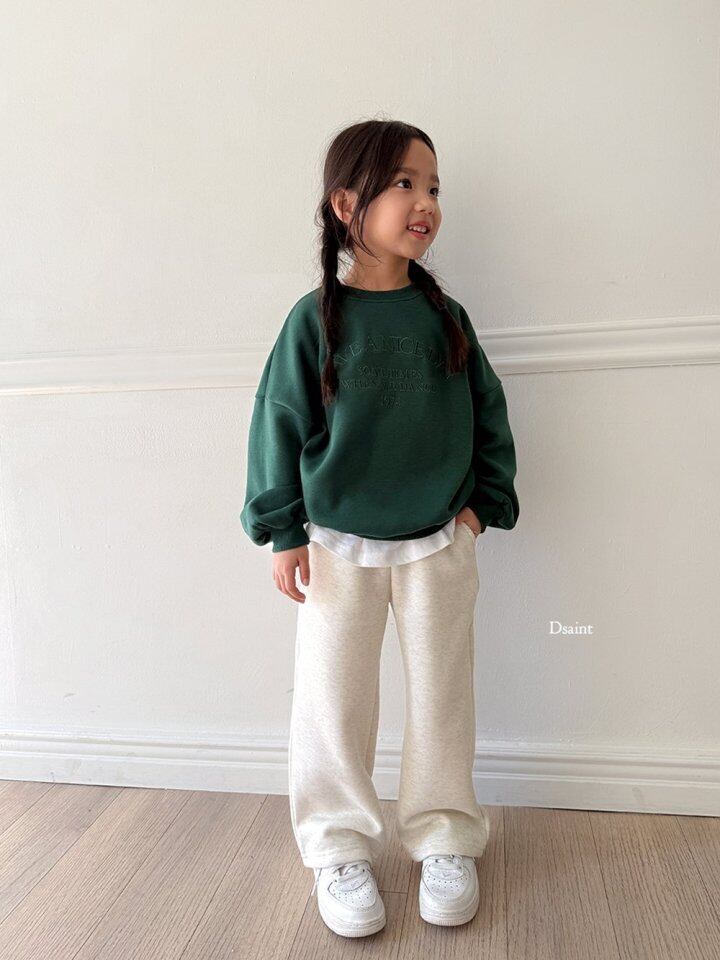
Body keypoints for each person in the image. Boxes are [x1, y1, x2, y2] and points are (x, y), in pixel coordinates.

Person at [240, 119, 519, 938]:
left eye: (433, 187)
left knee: (443, 698)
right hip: (336, 548)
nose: (425, 201)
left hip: (439, 543)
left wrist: (482, 507)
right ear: (345, 204)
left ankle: (445, 837)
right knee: (332, 705)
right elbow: (277, 423)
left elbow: (489, 414)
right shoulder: (313, 321)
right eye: (404, 183)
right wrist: (282, 530)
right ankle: (338, 848)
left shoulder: (445, 317)